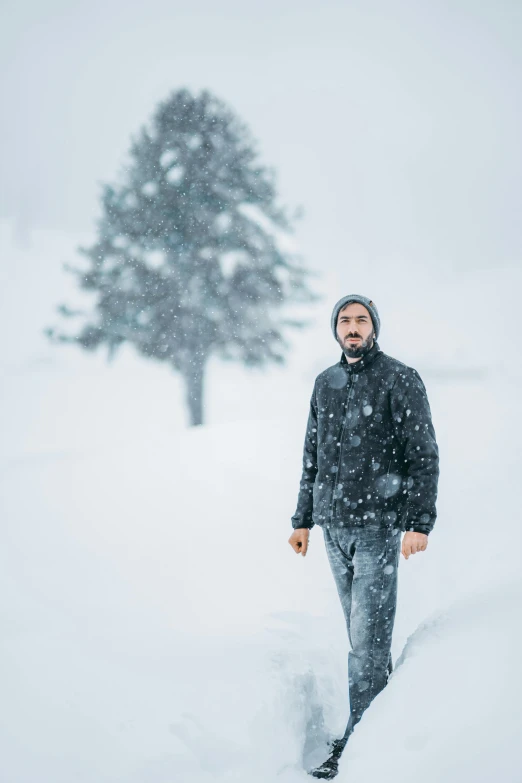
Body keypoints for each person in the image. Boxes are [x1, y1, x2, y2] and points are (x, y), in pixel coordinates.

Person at [288, 294, 439, 780]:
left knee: (367, 643)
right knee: (360, 636)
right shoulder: (324, 383)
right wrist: (302, 520)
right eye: (345, 321)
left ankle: (361, 744)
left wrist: (418, 522)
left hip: (377, 528)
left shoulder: (399, 378)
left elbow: (423, 455)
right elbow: (312, 455)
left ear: (375, 327)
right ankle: (372, 729)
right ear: (335, 329)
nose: (353, 328)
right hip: (333, 528)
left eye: (361, 320)